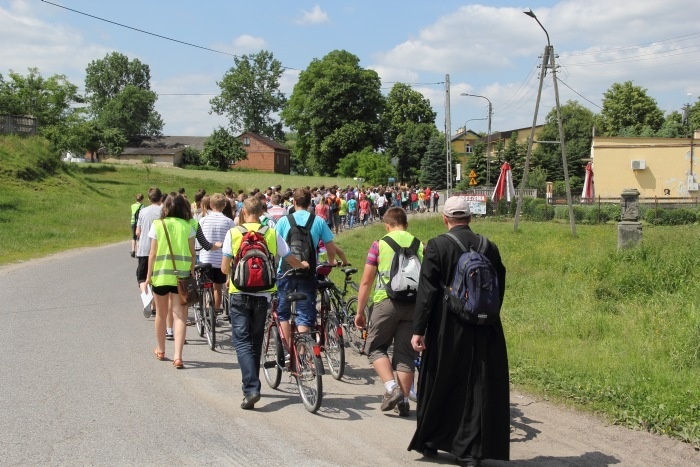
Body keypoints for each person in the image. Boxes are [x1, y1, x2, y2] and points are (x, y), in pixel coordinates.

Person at [408, 196, 509, 466]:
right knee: (479, 384)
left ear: (445, 218)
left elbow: (427, 293)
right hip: (486, 326)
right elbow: (499, 286)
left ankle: (432, 440)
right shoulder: (490, 246)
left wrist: (418, 329)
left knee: (441, 379)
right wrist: (487, 314)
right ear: (470, 218)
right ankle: (474, 449)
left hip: (448, 325)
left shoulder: (437, 246)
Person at [221, 196, 308, 410]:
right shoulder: (270, 232)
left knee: (241, 341)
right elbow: (288, 257)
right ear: (261, 212)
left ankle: (251, 389)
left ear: (243, 212)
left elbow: (224, 269)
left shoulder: (233, 233)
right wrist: (303, 265)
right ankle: (253, 386)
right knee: (256, 341)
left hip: (239, 292)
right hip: (264, 294)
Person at [354, 207, 423, 417]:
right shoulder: (419, 244)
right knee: (405, 354)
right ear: (406, 224)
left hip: (386, 302)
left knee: (375, 347)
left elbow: (366, 281)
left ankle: (392, 388)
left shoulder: (379, 244)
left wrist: (360, 311)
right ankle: (403, 400)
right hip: (413, 305)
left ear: (387, 225)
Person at [274, 188, 338, 349]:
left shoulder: (283, 221)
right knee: (304, 314)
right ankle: (303, 354)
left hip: (286, 270)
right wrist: (331, 261)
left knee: (283, 313)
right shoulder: (318, 221)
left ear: (293, 202)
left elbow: (275, 247)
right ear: (310, 203)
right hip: (308, 272)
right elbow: (330, 247)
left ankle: (288, 350)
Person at [146, 193, 196, 369]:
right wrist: (191, 272)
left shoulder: (157, 225)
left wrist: (147, 277)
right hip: (181, 276)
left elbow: (152, 253)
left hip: (160, 275)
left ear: (165, 207)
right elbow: (192, 253)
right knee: (180, 316)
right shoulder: (187, 226)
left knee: (161, 313)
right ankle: (178, 356)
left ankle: (161, 350)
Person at [198, 193, 235, 312]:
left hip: (206, 258)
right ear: (224, 205)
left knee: (205, 286)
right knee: (217, 288)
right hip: (221, 259)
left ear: (210, 205)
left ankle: (206, 308)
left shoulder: (203, 220)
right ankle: (216, 311)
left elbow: (199, 240)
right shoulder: (229, 222)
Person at [135, 187, 163, 317]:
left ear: (148, 198)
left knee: (141, 276)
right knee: (156, 277)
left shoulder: (142, 211)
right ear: (161, 198)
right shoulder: (163, 211)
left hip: (144, 248)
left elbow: (137, 231)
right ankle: (154, 306)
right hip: (159, 248)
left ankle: (147, 297)